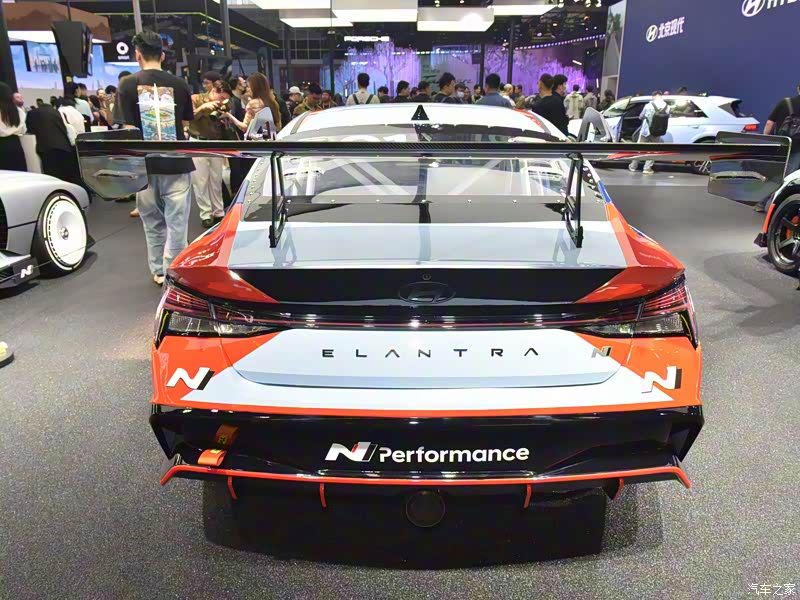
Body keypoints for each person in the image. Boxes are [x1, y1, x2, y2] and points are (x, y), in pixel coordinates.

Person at [117, 29, 195, 286]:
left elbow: (128, 129)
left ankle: (159, 271)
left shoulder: (127, 84)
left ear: (137, 55)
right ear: (162, 55)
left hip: (144, 166)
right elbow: (186, 124)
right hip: (177, 162)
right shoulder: (180, 84)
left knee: (151, 222)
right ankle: (175, 270)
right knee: (178, 224)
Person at [189, 79, 233, 227]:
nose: (222, 101)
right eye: (221, 97)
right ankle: (205, 214)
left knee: (216, 179)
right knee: (200, 180)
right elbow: (189, 117)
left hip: (216, 142)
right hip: (198, 141)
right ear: (214, 91)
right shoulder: (196, 99)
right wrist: (203, 108)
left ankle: (218, 211)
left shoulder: (223, 104)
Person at [755, 84, 800, 211]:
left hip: (781, 146)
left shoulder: (785, 103)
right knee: (788, 178)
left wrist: (765, 141)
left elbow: (770, 123)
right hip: (798, 149)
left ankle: (762, 203)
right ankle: (779, 206)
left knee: (776, 175)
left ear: (798, 89)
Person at [25, 101, 81, 186]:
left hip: (46, 148)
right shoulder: (57, 112)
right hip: (64, 147)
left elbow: (29, 130)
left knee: (53, 177)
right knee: (69, 176)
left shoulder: (32, 113)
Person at [628, 91, 670, 175]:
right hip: (657, 131)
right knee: (653, 150)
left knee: (639, 149)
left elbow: (641, 116)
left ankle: (633, 166)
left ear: (654, 96)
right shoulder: (667, 107)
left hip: (645, 131)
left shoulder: (649, 105)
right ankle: (647, 168)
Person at [0, 82, 27, 171]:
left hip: (2, 145)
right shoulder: (19, 111)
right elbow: (23, 130)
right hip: (15, 144)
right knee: (18, 172)